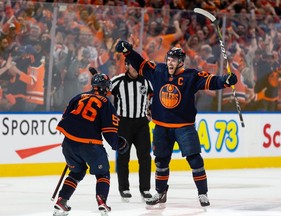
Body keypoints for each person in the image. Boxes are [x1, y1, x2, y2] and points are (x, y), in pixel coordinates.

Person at [115, 40, 238, 208]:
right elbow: (141, 63)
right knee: (161, 162)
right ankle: (160, 193)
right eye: (168, 59)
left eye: (173, 60)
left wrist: (226, 80)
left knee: (195, 160)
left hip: (184, 127)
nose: (169, 62)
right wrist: (128, 52)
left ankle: (202, 193)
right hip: (161, 127)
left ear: (181, 61)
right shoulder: (159, 71)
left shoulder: (191, 76)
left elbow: (211, 81)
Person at [53, 72, 129, 216]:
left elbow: (66, 117)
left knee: (76, 172)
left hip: (69, 144)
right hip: (90, 146)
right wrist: (119, 144)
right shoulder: (106, 103)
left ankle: (62, 200)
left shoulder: (78, 97)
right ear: (105, 88)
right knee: (102, 173)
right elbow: (109, 132)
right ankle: (101, 201)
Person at [110, 59, 153, 201]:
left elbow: (153, 96)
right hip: (124, 124)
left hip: (141, 124)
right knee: (123, 157)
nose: (136, 69)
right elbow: (104, 91)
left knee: (145, 157)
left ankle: (145, 189)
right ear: (127, 66)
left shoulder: (146, 81)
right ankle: (124, 188)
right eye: (133, 66)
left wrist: (151, 109)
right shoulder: (118, 81)